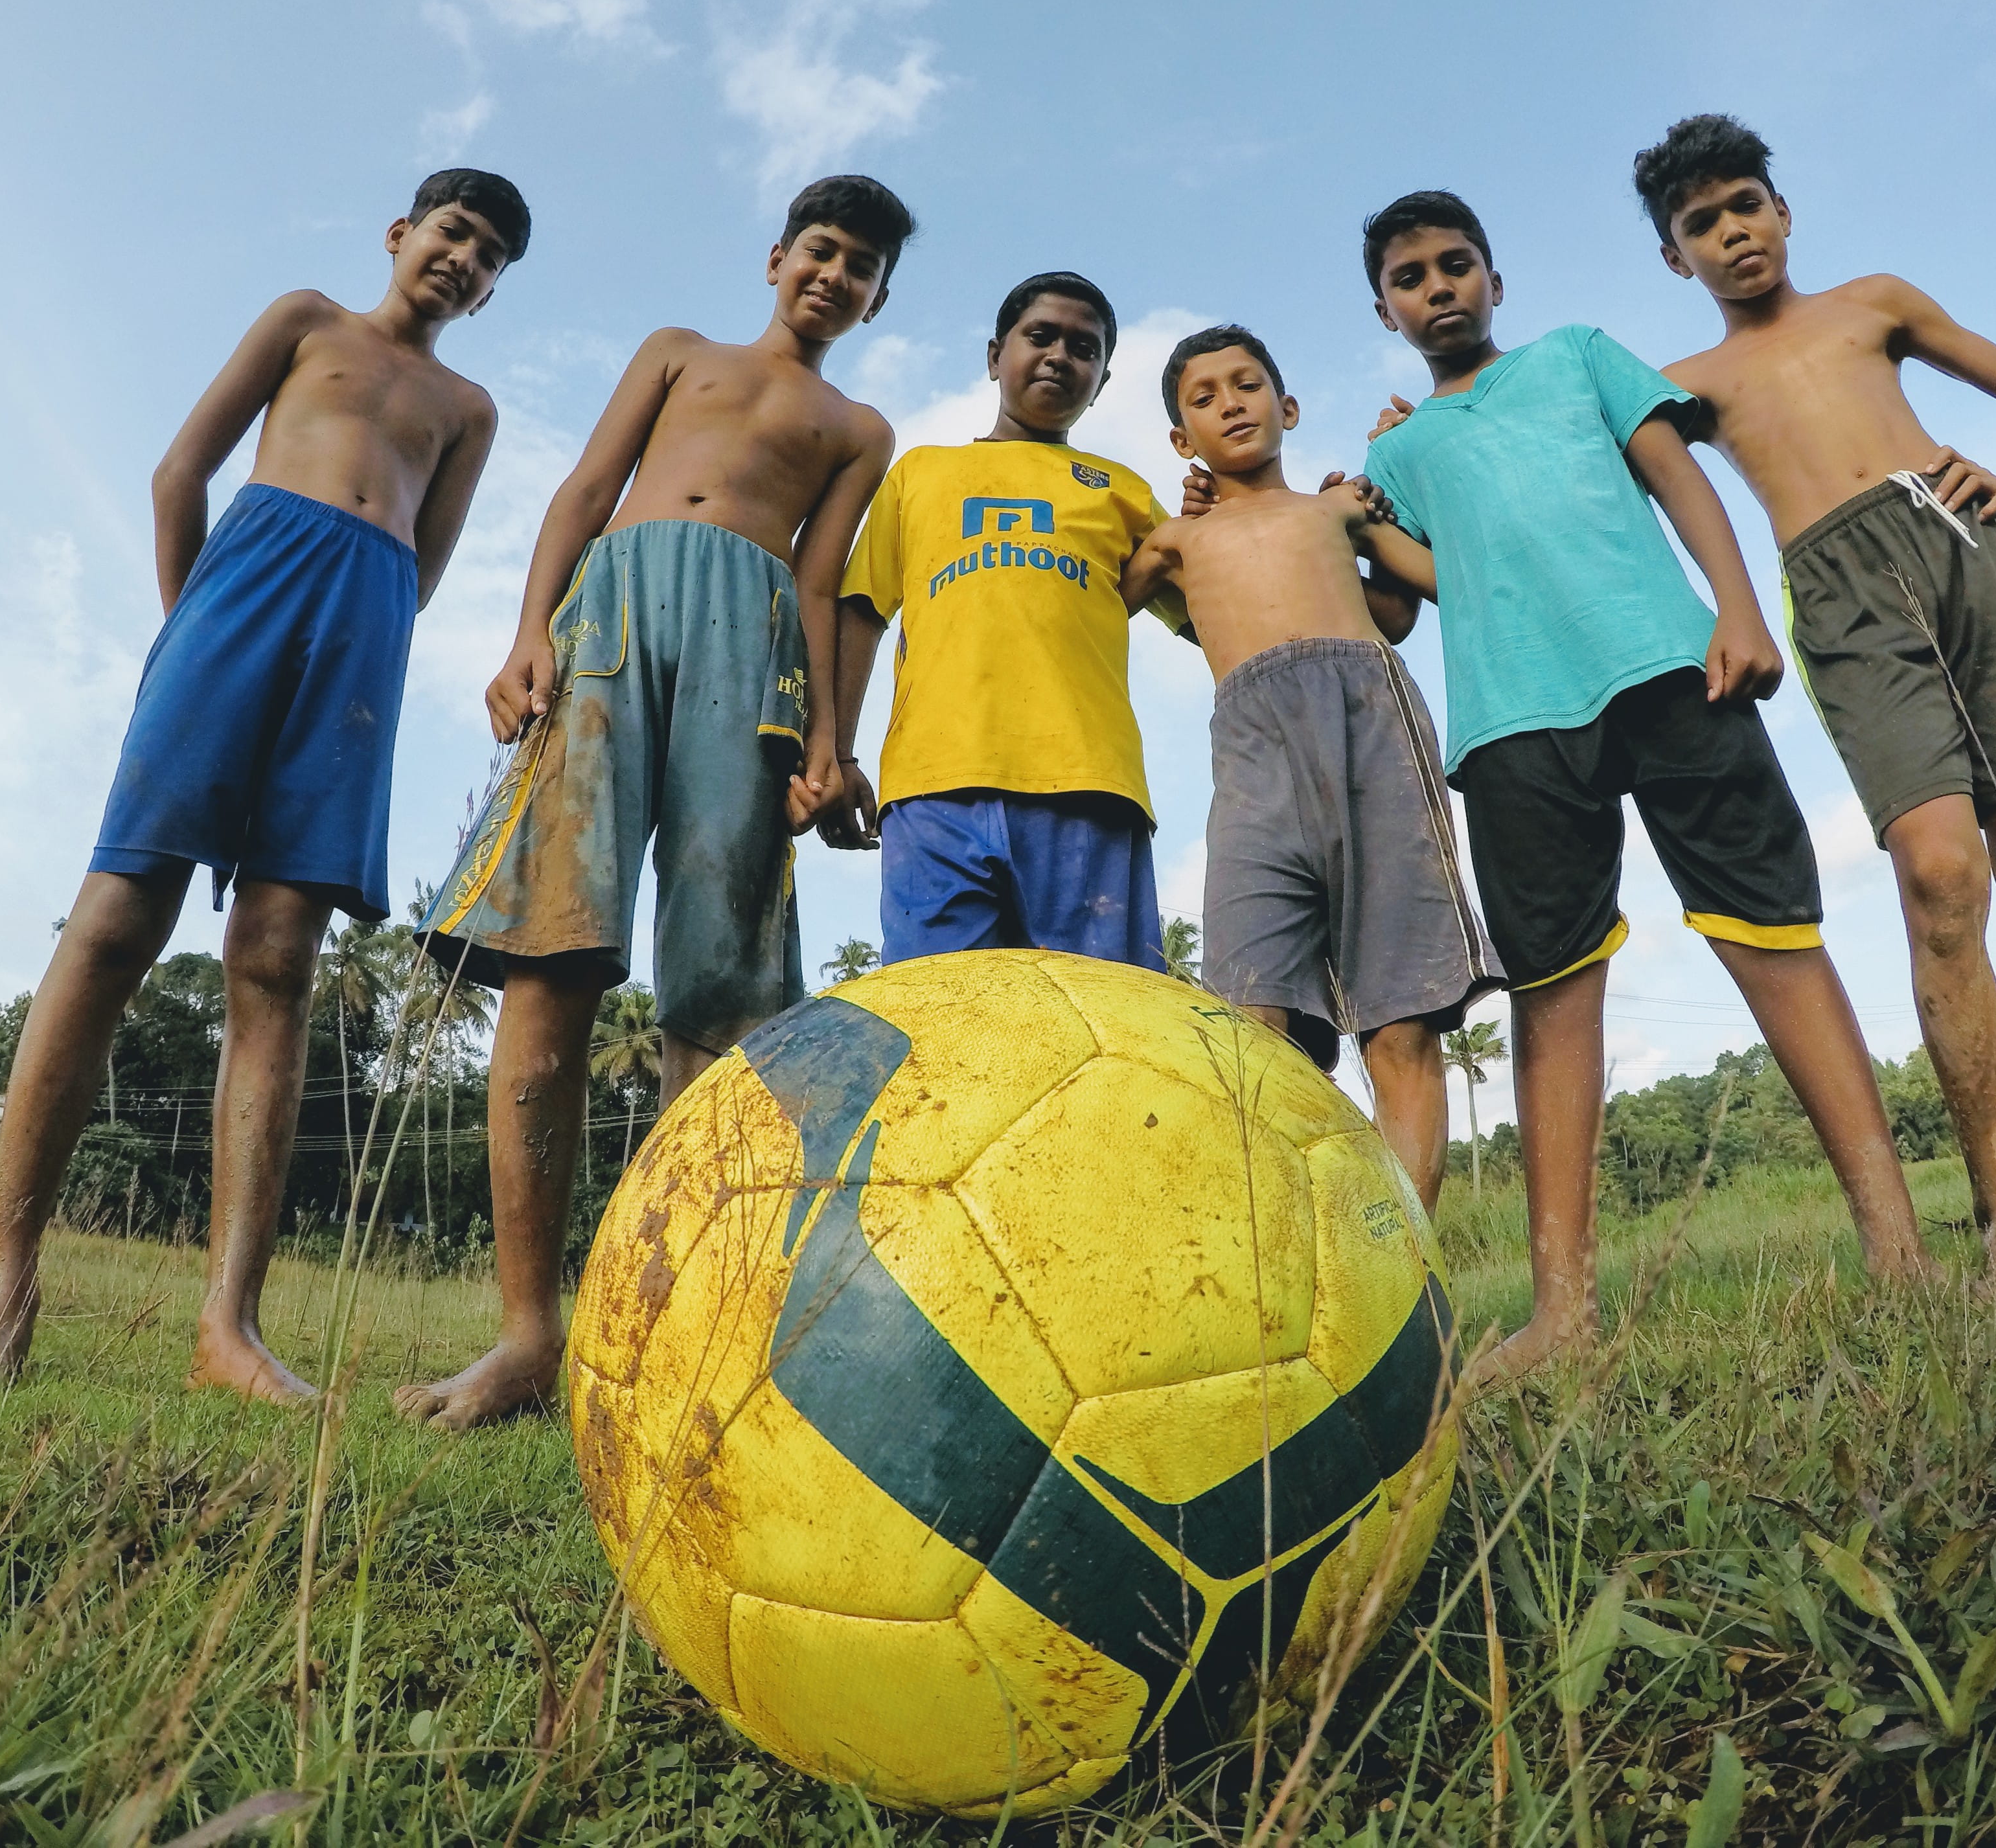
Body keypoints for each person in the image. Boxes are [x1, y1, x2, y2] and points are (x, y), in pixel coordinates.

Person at [0, 169, 529, 1399]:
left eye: (493, 255)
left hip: (361, 630)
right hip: (236, 598)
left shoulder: (468, 406)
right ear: (402, 235)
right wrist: (191, 628)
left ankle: (227, 1330)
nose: (466, 258)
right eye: (454, 232)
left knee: (278, 955)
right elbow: (178, 472)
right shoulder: (307, 322)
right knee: (116, 919)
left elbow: (427, 566)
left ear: (495, 289)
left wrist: (359, 629)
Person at [1353, 189, 1939, 1379]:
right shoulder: (1397, 450)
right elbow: (1431, 590)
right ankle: (1562, 1316)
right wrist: (1355, 529)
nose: (1439, 289)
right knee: (1553, 996)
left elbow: (1680, 478)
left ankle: (1900, 1250)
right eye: (1411, 279)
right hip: (1513, 728)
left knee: (1775, 936)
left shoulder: (1578, 358)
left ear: (1495, 280)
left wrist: (1735, 608)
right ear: (1386, 310)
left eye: (1456, 264)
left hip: (1674, 669)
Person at [396, 175, 913, 1430]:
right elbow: (584, 491)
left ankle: (669, 1330)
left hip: (751, 655)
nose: (832, 277)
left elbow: (821, 577)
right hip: (608, 626)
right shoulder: (677, 353)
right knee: (552, 950)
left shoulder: (857, 427)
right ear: (777, 255)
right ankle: (526, 1335)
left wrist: (830, 744)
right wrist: (529, 634)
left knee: (722, 981)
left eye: (860, 268)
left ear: (878, 296)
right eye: (820, 251)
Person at [1633, 113, 1996, 1287]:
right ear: (1678, 259)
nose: (1732, 234)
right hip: (1841, 599)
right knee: (1938, 870)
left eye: (1746, 206)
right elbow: (1571, 440)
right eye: (1701, 224)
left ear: (1782, 210)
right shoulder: (1683, 384)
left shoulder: (1875, 301)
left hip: (1959, 550)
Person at [1121, 324, 1502, 1212]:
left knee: (1401, 1018)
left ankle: (1409, 1270)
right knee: (1249, 1016)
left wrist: (1404, 481)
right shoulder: (1176, 542)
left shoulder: (1337, 507)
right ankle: (1299, 1242)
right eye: (1204, 399)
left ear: (1286, 406)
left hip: (1370, 723)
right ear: (1183, 441)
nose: (1231, 404)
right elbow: (1089, 602)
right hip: (1255, 750)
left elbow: (1420, 596)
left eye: (1246, 385)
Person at [817, 273, 1179, 972]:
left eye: (1084, 348)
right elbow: (860, 614)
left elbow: (1210, 605)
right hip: (931, 790)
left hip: (1089, 787)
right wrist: (839, 753)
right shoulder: (919, 474)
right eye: (1039, 336)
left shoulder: (1123, 492)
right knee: (942, 1023)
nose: (1059, 356)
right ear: (993, 357)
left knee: (1109, 1019)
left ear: (1102, 381)